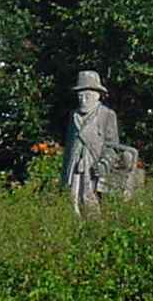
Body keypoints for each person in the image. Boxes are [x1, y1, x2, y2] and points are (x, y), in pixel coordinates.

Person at [62, 71, 119, 215]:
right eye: (80, 96)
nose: (83, 100)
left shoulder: (106, 114)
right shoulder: (73, 115)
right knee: (71, 201)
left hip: (93, 166)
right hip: (74, 168)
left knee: (90, 202)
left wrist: (105, 163)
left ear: (97, 95)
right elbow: (68, 148)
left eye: (87, 96)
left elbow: (113, 146)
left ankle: (94, 233)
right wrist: (64, 174)